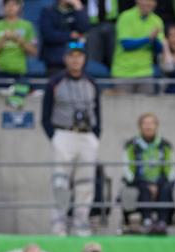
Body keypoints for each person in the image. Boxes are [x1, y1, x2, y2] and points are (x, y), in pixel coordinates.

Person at [42, 43, 101, 236]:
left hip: (86, 135)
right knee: (60, 182)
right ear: (66, 58)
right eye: (72, 56)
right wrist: (55, 136)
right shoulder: (55, 82)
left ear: (84, 59)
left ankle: (81, 225)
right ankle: (58, 226)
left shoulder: (91, 82)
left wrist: (95, 135)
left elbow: (98, 112)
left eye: (79, 56)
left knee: (86, 183)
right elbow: (45, 115)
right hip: (64, 134)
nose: (76, 60)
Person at [123, 113, 175, 234]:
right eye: (145, 123)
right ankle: (147, 221)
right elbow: (127, 170)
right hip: (139, 181)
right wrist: (145, 183)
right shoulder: (132, 145)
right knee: (143, 188)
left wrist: (158, 184)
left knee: (166, 188)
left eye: (151, 123)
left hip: (160, 182)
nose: (148, 126)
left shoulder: (165, 145)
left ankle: (162, 222)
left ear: (156, 126)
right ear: (140, 126)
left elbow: (171, 169)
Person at [0, 0, 38, 108]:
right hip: (0, 72)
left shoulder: (27, 26)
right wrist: (3, 39)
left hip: (20, 73)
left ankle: (14, 103)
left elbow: (34, 51)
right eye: (8, 4)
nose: (11, 7)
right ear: (3, 7)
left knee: (26, 90)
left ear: (19, 7)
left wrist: (18, 39)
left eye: (14, 4)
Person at [111, 0, 164, 94]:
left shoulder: (157, 21)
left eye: (152, 1)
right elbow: (126, 44)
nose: (149, 3)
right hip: (123, 72)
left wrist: (154, 40)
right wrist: (148, 39)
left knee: (146, 108)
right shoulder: (125, 17)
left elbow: (158, 49)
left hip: (145, 73)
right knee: (123, 107)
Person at [39, 0, 90, 76]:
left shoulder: (78, 10)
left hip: (76, 57)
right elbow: (48, 35)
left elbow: (84, 29)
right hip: (55, 61)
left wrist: (78, 6)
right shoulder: (48, 11)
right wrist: (69, 35)